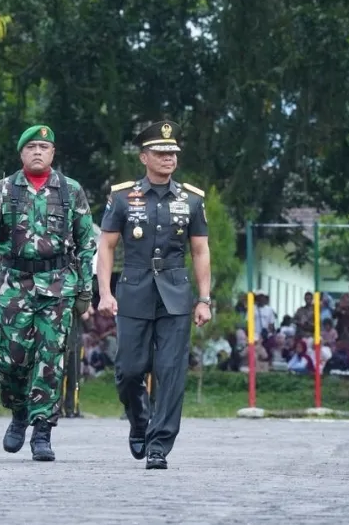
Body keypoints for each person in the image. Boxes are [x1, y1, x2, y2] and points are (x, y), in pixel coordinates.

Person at [0, 124, 97, 462]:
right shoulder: (4, 189)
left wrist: (85, 289)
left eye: (44, 147)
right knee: (12, 360)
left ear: (52, 153)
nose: (37, 151)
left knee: (50, 359)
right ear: (21, 153)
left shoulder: (70, 191)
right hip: (15, 284)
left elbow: (87, 244)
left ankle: (42, 431)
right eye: (31, 147)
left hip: (58, 285)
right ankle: (19, 412)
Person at [96, 120, 212, 470]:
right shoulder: (122, 197)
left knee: (171, 371)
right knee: (128, 370)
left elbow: (200, 250)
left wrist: (204, 299)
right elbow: (106, 246)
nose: (168, 158)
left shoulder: (191, 200)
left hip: (175, 293)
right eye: (160, 152)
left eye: (172, 152)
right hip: (134, 290)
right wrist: (104, 292)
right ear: (144, 157)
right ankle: (139, 420)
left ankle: (159, 444)